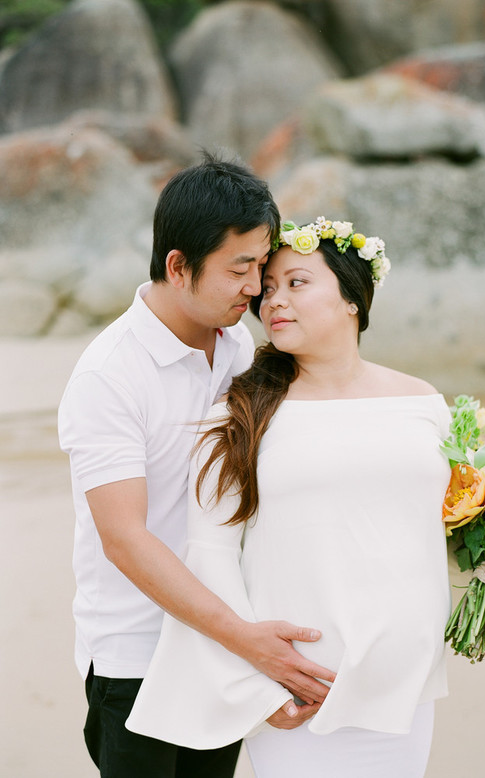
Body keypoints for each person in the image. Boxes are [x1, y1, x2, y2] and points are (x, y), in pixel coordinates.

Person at [126, 217, 485, 777]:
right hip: (301, 685)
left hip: (404, 681)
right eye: (267, 288)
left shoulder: (421, 401)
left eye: (296, 283)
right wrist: (255, 686)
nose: (274, 300)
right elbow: (211, 554)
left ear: (352, 299)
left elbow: (446, 536)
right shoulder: (241, 412)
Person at [58, 161, 337, 778]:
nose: (255, 288)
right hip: (139, 657)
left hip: (225, 643)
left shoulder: (241, 348)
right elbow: (124, 539)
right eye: (238, 270)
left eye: (260, 267)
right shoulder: (109, 376)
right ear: (179, 266)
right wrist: (246, 641)